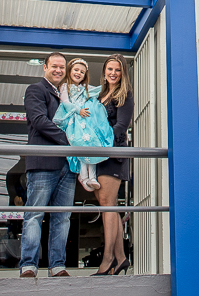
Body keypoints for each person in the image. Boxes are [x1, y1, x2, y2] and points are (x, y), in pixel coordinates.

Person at [20, 52, 74, 278]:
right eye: (54, 66)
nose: (59, 70)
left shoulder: (67, 95)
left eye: (62, 67)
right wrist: (70, 140)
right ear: (45, 67)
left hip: (68, 166)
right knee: (34, 215)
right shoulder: (35, 90)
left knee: (62, 218)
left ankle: (57, 266)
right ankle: (28, 266)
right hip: (43, 162)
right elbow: (40, 121)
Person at [93, 55, 135, 276]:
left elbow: (121, 126)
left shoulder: (125, 95)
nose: (113, 73)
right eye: (110, 69)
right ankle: (120, 259)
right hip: (100, 154)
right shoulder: (100, 94)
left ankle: (108, 259)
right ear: (104, 71)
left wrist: (101, 140)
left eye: (117, 70)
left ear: (122, 73)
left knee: (108, 205)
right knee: (108, 204)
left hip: (113, 153)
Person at [53, 58, 114, 191]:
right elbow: (65, 102)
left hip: (85, 122)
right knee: (80, 145)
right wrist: (78, 110)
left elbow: (98, 90)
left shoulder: (84, 88)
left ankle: (92, 177)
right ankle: (83, 176)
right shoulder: (65, 87)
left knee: (91, 145)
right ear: (69, 71)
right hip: (73, 121)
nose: (78, 73)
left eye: (82, 72)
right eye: (76, 70)